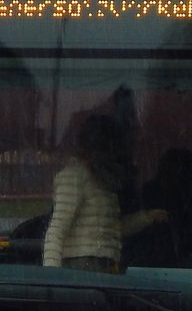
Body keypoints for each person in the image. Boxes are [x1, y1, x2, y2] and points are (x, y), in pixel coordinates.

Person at [42, 114, 166, 272]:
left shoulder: (103, 180)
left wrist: (147, 217)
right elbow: (57, 228)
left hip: (104, 266)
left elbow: (110, 230)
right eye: (108, 147)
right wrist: (52, 276)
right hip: (82, 267)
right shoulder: (74, 177)